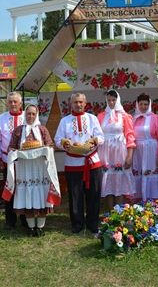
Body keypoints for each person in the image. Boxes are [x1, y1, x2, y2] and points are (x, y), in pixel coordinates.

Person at [4, 104, 59, 237]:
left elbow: (51, 146)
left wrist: (48, 149)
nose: (31, 116)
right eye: (28, 114)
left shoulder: (42, 130)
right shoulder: (18, 131)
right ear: (25, 115)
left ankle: (40, 227)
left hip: (40, 168)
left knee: (41, 195)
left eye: (33, 114)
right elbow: (10, 148)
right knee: (26, 194)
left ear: (37, 115)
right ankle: (31, 227)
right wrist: (14, 152)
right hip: (24, 168)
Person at [54, 92, 104, 234]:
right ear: (71, 104)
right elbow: (57, 140)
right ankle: (77, 224)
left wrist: (94, 141)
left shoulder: (92, 118)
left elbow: (101, 136)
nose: (78, 105)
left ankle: (93, 223)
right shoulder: (65, 121)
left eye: (80, 102)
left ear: (85, 103)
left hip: (92, 162)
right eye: (75, 102)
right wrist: (65, 144)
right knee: (75, 195)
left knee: (94, 195)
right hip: (73, 163)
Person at [96, 90, 136, 212]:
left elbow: (130, 136)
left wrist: (129, 156)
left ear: (117, 100)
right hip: (105, 152)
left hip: (120, 152)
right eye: (109, 100)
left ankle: (119, 214)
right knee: (108, 180)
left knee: (119, 181)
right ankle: (109, 213)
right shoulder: (101, 116)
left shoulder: (125, 116)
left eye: (113, 100)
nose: (111, 102)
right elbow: (97, 135)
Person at [0, 92, 28, 230]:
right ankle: (10, 220)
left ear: (20, 103)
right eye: (10, 102)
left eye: (15, 101)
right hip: (7, 159)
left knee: (24, 188)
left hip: (24, 160)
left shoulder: (28, 116)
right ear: (7, 103)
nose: (13, 104)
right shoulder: (2, 118)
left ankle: (25, 219)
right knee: (9, 189)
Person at [131, 92, 158, 202]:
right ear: (137, 105)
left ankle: (153, 202)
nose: (143, 107)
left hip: (151, 151)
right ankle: (139, 202)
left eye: (146, 104)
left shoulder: (156, 118)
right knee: (139, 174)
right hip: (137, 152)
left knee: (151, 174)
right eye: (141, 104)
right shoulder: (134, 119)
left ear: (149, 105)